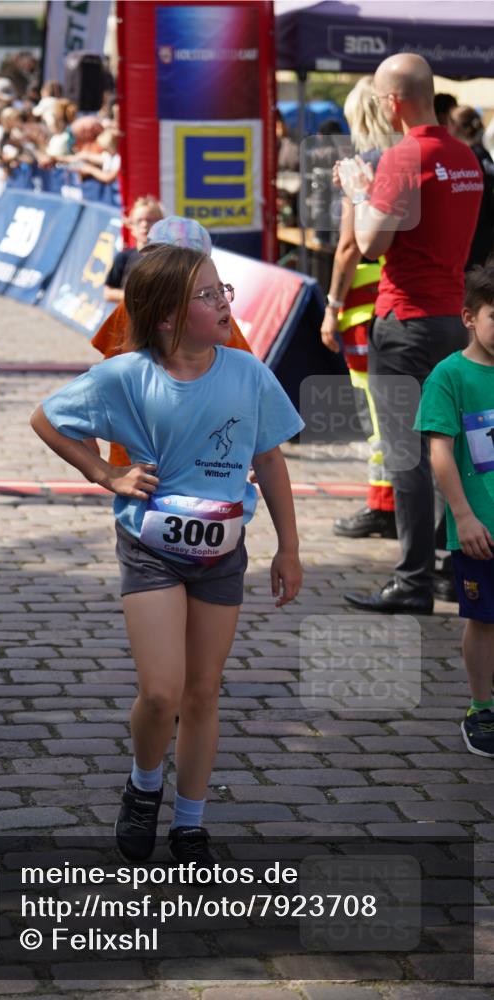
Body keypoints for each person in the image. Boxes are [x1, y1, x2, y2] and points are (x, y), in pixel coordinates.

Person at [30, 245, 304, 863]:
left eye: (223, 290)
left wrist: (289, 546)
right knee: (161, 690)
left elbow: (269, 459)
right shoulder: (125, 375)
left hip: (222, 553)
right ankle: (143, 783)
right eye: (207, 297)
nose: (224, 304)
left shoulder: (248, 373)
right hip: (151, 549)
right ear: (165, 319)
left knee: (202, 691)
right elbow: (47, 419)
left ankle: (190, 821)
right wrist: (105, 473)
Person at [337, 53, 483, 614]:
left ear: (393, 102)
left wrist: (356, 190)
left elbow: (372, 244)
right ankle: (451, 572)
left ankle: (412, 581)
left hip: (406, 321)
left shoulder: (405, 155)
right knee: (452, 448)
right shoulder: (462, 153)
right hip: (455, 319)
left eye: (378, 97)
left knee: (408, 455)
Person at [92, 215, 252, 466]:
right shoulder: (129, 308)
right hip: (134, 462)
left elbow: (245, 381)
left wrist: (251, 452)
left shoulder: (216, 316)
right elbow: (105, 379)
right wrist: (101, 470)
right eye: (159, 260)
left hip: (197, 457)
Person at [414, 266, 494, 755]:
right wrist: (463, 516)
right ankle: (480, 707)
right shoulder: (449, 376)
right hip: (481, 527)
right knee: (484, 619)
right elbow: (440, 452)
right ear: (469, 317)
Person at [320, 75, 398, 540]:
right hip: (399, 301)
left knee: (376, 413)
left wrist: (331, 305)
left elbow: (349, 247)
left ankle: (383, 503)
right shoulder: (406, 162)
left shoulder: (361, 166)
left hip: (364, 307)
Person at [450, 106, 494, 271]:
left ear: (455, 126)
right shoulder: (478, 153)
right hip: (480, 234)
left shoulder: (472, 155)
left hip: (476, 235)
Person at [103, 195, 164, 304]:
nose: (144, 225)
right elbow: (108, 293)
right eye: (139, 221)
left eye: (150, 220)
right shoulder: (123, 258)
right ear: (131, 226)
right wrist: (134, 296)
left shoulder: (171, 259)